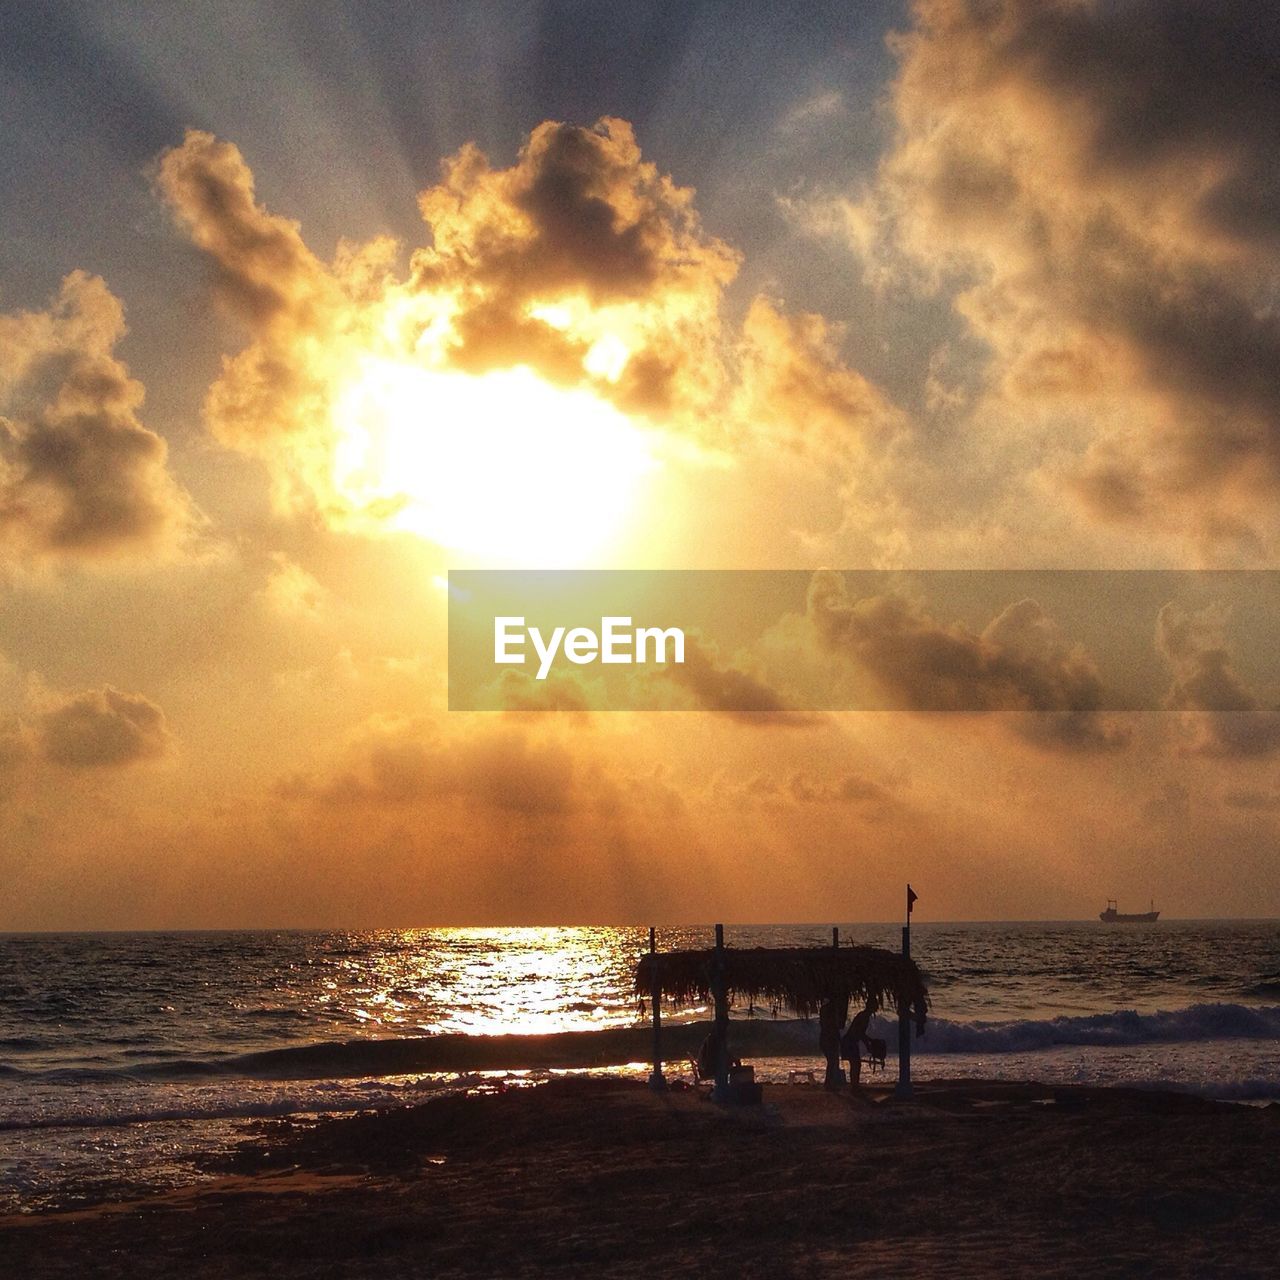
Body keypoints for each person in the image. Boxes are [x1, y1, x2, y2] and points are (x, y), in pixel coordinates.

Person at [841, 998, 879, 1089]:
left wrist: (869, 1040)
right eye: (876, 1006)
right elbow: (860, 1033)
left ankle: (854, 1085)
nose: (877, 1008)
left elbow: (860, 1033)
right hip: (850, 1042)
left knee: (855, 1064)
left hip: (850, 1041)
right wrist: (868, 1044)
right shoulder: (864, 1017)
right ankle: (854, 1085)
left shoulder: (863, 1015)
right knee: (856, 1064)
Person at [818, 995, 849, 1090]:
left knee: (832, 1061)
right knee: (832, 1061)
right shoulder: (831, 1012)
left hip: (825, 1038)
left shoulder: (824, 1010)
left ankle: (829, 1083)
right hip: (829, 1039)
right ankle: (829, 1084)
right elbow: (834, 1028)